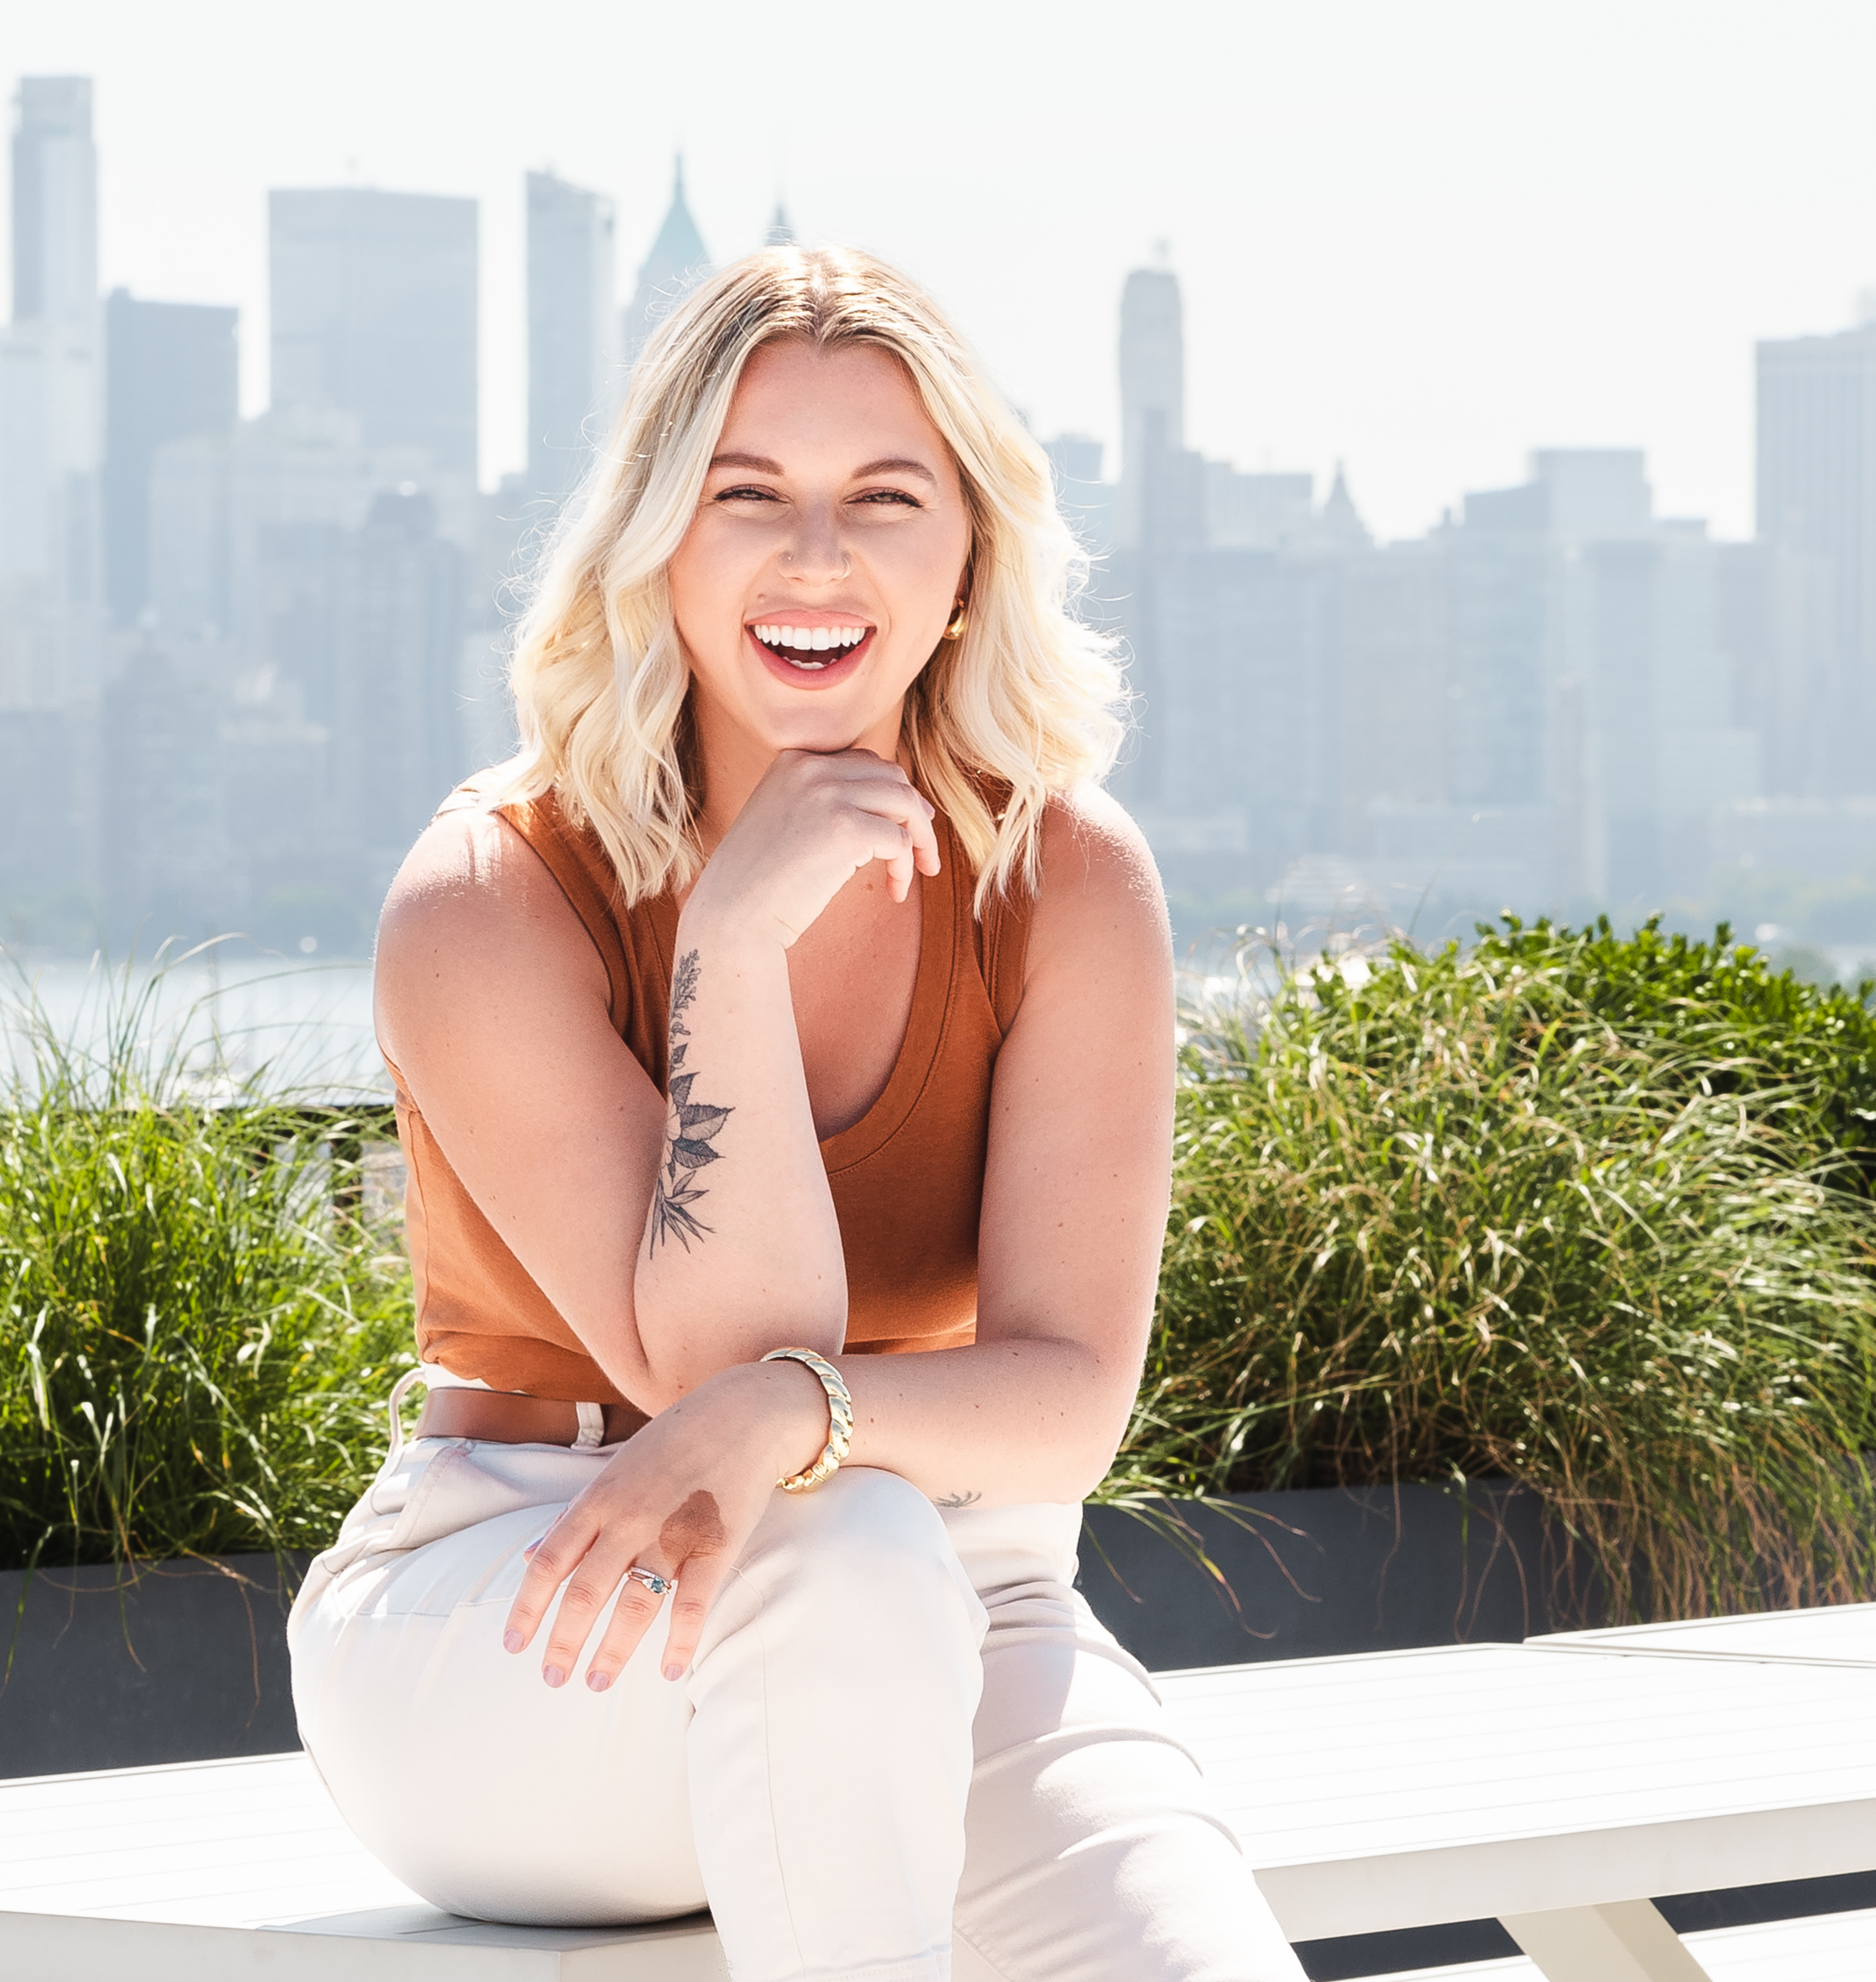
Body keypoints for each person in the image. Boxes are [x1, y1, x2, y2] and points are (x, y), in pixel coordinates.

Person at [288, 245, 1303, 1982]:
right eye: (745, 495)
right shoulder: (488, 892)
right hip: (528, 1605)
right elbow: (712, 1360)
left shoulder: (1065, 878)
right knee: (843, 1560)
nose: (814, 558)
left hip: (968, 1596)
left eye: (884, 498)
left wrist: (791, 1420)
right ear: (658, 542)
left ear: (968, 552)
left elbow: (1064, 1409)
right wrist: (734, 946)